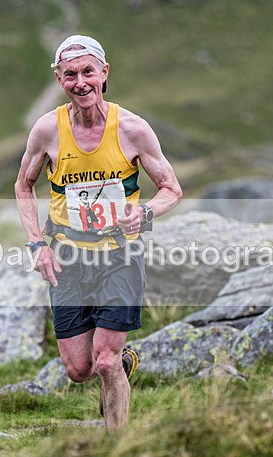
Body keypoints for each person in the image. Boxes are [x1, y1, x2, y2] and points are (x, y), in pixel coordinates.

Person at [14, 35, 182, 432]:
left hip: (120, 256)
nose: (81, 82)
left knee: (104, 362)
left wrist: (143, 213)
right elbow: (24, 185)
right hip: (69, 259)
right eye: (70, 74)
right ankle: (124, 364)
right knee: (79, 369)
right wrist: (38, 244)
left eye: (88, 71)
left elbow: (172, 189)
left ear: (104, 73)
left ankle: (116, 449)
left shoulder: (133, 129)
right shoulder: (47, 130)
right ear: (59, 79)